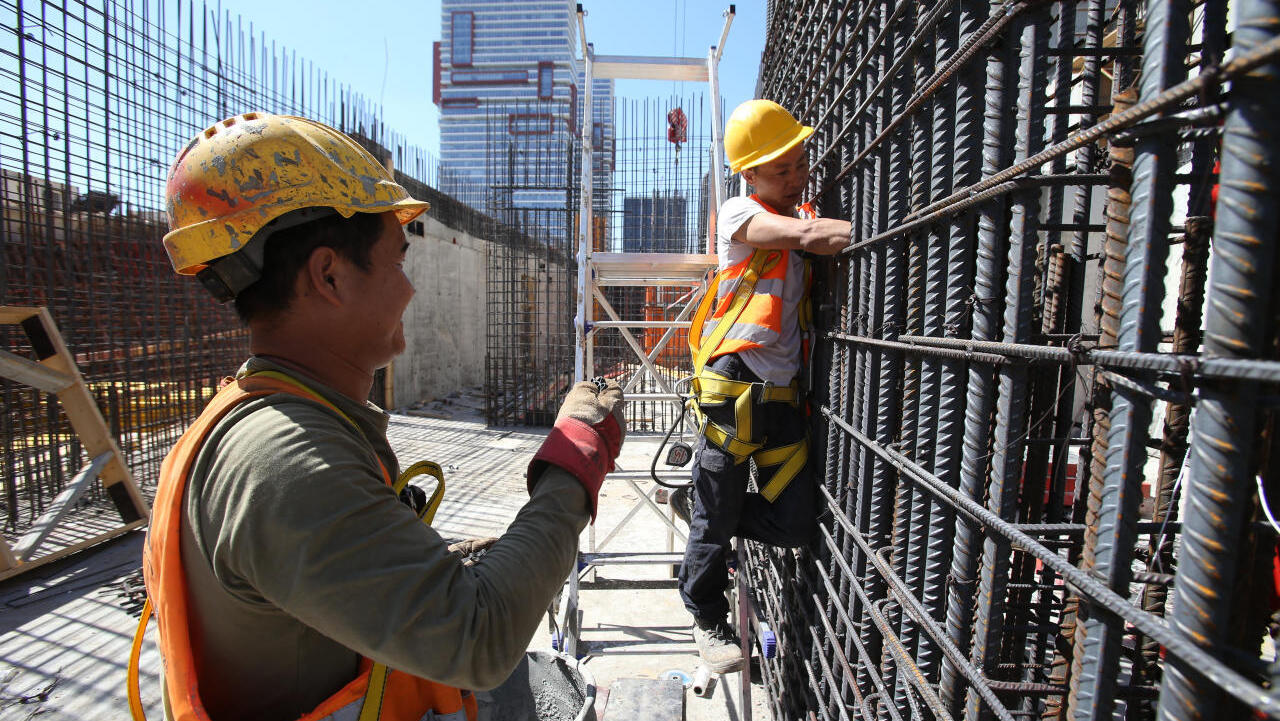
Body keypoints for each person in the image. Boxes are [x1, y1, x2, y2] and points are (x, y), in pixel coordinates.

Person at [137, 112, 624, 721]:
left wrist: (447, 561)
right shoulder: (286, 460)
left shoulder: (276, 418)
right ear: (330, 275)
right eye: (397, 262)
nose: (410, 290)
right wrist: (576, 453)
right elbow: (478, 639)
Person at [675, 99, 851, 674]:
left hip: (781, 402)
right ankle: (706, 619)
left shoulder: (796, 214)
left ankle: (704, 513)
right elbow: (798, 235)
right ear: (749, 173)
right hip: (733, 394)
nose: (797, 176)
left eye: (800, 163)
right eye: (782, 169)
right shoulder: (738, 214)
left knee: (794, 521)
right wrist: (850, 230)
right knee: (717, 514)